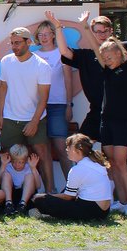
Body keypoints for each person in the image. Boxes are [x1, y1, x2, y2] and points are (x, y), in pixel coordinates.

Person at [48, 5, 127, 216]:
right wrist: (82, 27)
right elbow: (93, 47)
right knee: (112, 162)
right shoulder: (105, 67)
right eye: (104, 58)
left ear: (119, 52)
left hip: (121, 119)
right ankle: (119, 200)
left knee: (121, 162)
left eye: (109, 56)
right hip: (104, 119)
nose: (106, 60)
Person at [0, 27, 54, 193]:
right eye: (12, 43)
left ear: (28, 42)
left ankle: (50, 192)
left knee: (42, 154)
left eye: (18, 43)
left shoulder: (42, 66)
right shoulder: (6, 61)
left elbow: (44, 98)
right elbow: (3, 87)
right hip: (10, 118)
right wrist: (0, 114)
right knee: (7, 155)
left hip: (35, 118)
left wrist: (34, 122)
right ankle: (5, 194)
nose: (14, 46)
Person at [29, 133, 111, 221]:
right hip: (104, 212)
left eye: (69, 147)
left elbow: (68, 197)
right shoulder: (95, 164)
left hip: (91, 210)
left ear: (79, 150)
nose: (66, 150)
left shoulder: (77, 169)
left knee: (40, 199)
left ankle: (46, 213)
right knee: (63, 192)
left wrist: (47, 196)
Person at [33, 20, 73, 177]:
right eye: (40, 34)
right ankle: (48, 188)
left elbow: (69, 79)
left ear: (53, 35)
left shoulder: (62, 53)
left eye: (47, 34)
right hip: (38, 108)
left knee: (62, 149)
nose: (43, 37)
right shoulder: (34, 56)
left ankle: (72, 187)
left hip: (58, 105)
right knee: (42, 151)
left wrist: (69, 104)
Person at [0, 144, 43, 216]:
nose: (17, 165)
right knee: (6, 175)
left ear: (26, 160)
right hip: (11, 195)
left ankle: (22, 205)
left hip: (26, 197)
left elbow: (38, 186)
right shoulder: (8, 166)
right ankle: (8, 204)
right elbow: (0, 181)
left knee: (29, 176)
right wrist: (3, 165)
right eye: (14, 161)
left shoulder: (29, 167)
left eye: (20, 162)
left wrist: (33, 168)